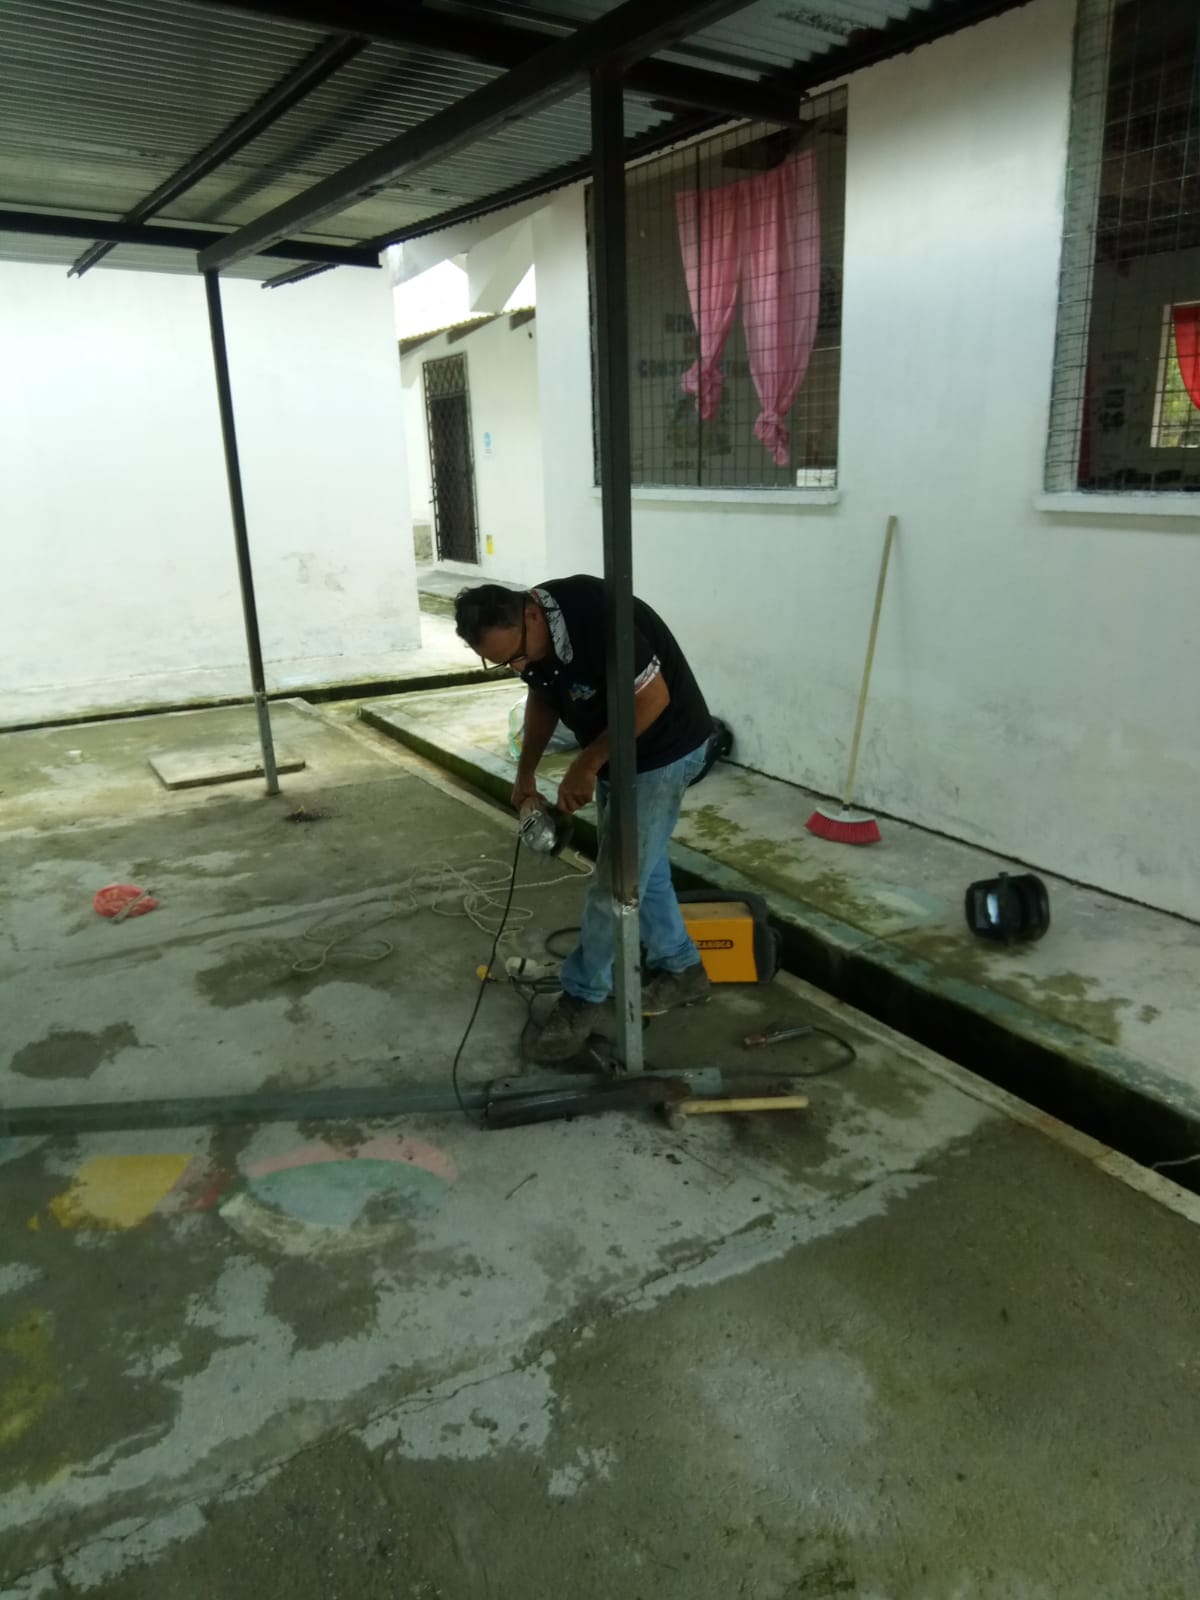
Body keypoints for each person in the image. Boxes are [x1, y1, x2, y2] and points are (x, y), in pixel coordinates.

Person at [454, 577, 714, 1062]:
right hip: (616, 750)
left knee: (614, 883)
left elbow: (652, 699)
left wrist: (587, 764)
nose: (520, 668)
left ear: (531, 615)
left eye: (517, 656)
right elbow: (544, 696)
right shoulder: (530, 637)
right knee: (644, 869)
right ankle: (683, 969)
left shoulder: (599, 619)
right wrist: (525, 774)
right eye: (505, 664)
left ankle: (581, 998)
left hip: (664, 750)